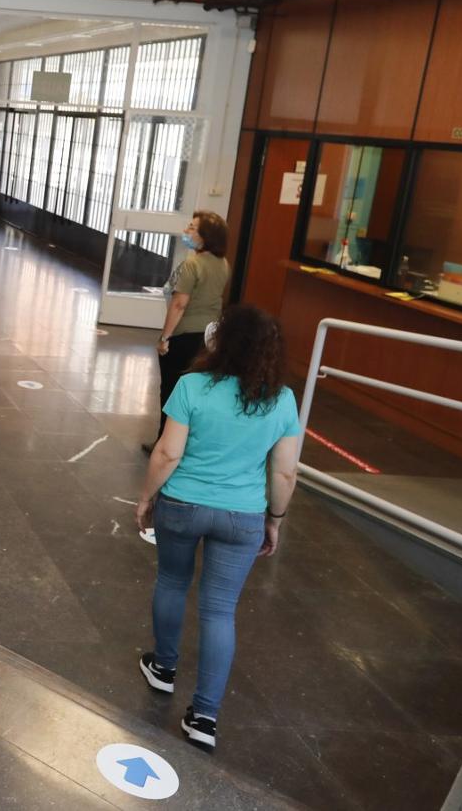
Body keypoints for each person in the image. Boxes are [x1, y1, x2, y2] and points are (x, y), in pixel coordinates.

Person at [133, 304, 300, 751]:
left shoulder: (191, 386)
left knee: (171, 580)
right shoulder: (281, 399)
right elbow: (283, 474)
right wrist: (275, 520)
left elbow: (167, 454)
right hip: (242, 516)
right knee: (219, 610)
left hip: (183, 505)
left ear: (220, 342)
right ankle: (204, 716)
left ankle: (163, 669)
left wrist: (147, 497)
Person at [143, 211, 230, 455]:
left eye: (192, 228)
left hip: (185, 335)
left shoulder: (192, 264)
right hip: (209, 336)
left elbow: (179, 304)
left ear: (205, 237)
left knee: (171, 388)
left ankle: (165, 442)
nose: (186, 231)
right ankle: (191, 443)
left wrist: (164, 337)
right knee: (198, 390)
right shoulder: (223, 264)